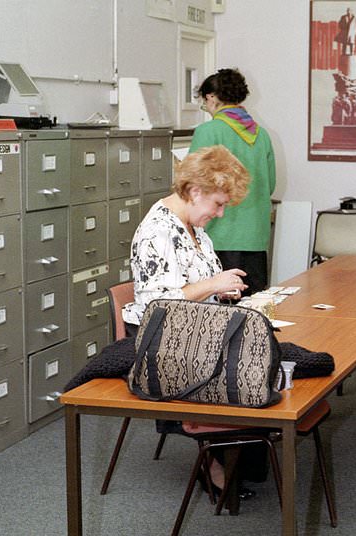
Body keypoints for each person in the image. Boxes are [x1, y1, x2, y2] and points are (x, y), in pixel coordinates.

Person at [121, 145, 258, 497]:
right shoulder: (158, 231)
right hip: (161, 342)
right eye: (218, 203)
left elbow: (194, 286)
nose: (221, 213)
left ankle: (245, 455)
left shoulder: (193, 226)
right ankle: (222, 460)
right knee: (250, 369)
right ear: (195, 192)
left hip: (193, 330)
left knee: (263, 353)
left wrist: (220, 290)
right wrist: (214, 284)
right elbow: (156, 303)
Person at [191, 68, 276, 296]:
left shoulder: (208, 131)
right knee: (253, 310)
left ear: (211, 97)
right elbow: (271, 184)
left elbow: (193, 184)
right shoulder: (262, 134)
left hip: (220, 235)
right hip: (256, 237)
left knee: (221, 316)